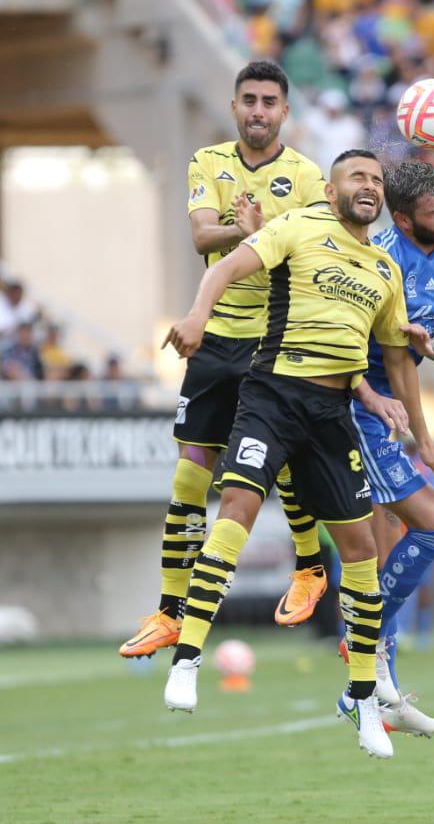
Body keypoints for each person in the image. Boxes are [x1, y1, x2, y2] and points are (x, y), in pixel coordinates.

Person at [161, 150, 434, 759]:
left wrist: (421, 434)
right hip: (272, 397)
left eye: (376, 179)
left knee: (361, 549)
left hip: (331, 414)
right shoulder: (297, 226)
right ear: (331, 189)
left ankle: (364, 700)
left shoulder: (383, 269)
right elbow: (224, 268)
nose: (368, 186)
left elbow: (396, 358)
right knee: (236, 508)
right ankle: (187, 659)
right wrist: (197, 316)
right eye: (357, 177)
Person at [119, 61, 337, 661]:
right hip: (215, 340)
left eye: (269, 101)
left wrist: (257, 234)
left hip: (274, 338)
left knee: (282, 466)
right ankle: (169, 611)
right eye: (249, 100)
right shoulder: (207, 161)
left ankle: (309, 569)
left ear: (284, 111)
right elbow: (200, 235)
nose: (258, 110)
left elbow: (309, 251)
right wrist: (249, 232)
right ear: (235, 106)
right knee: (190, 476)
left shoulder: (307, 175)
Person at [340, 159, 434, 736]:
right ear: (402, 219)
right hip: (357, 406)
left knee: (381, 553)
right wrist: (423, 439)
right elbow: (385, 358)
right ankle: (363, 643)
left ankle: (381, 697)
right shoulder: (380, 258)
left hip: (389, 412)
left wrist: (432, 346)